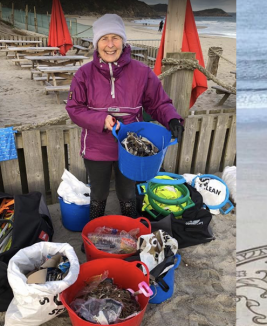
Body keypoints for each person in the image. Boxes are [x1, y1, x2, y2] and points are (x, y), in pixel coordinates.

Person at [66, 13, 184, 219]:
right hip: (96, 146)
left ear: (123, 41)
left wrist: (172, 118)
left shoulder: (142, 72)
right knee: (98, 193)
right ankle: (96, 228)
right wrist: (101, 120)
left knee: (127, 193)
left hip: (131, 147)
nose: (110, 45)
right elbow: (74, 108)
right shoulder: (83, 74)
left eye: (115, 38)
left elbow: (158, 102)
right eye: (104, 38)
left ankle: (130, 226)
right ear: (96, 43)